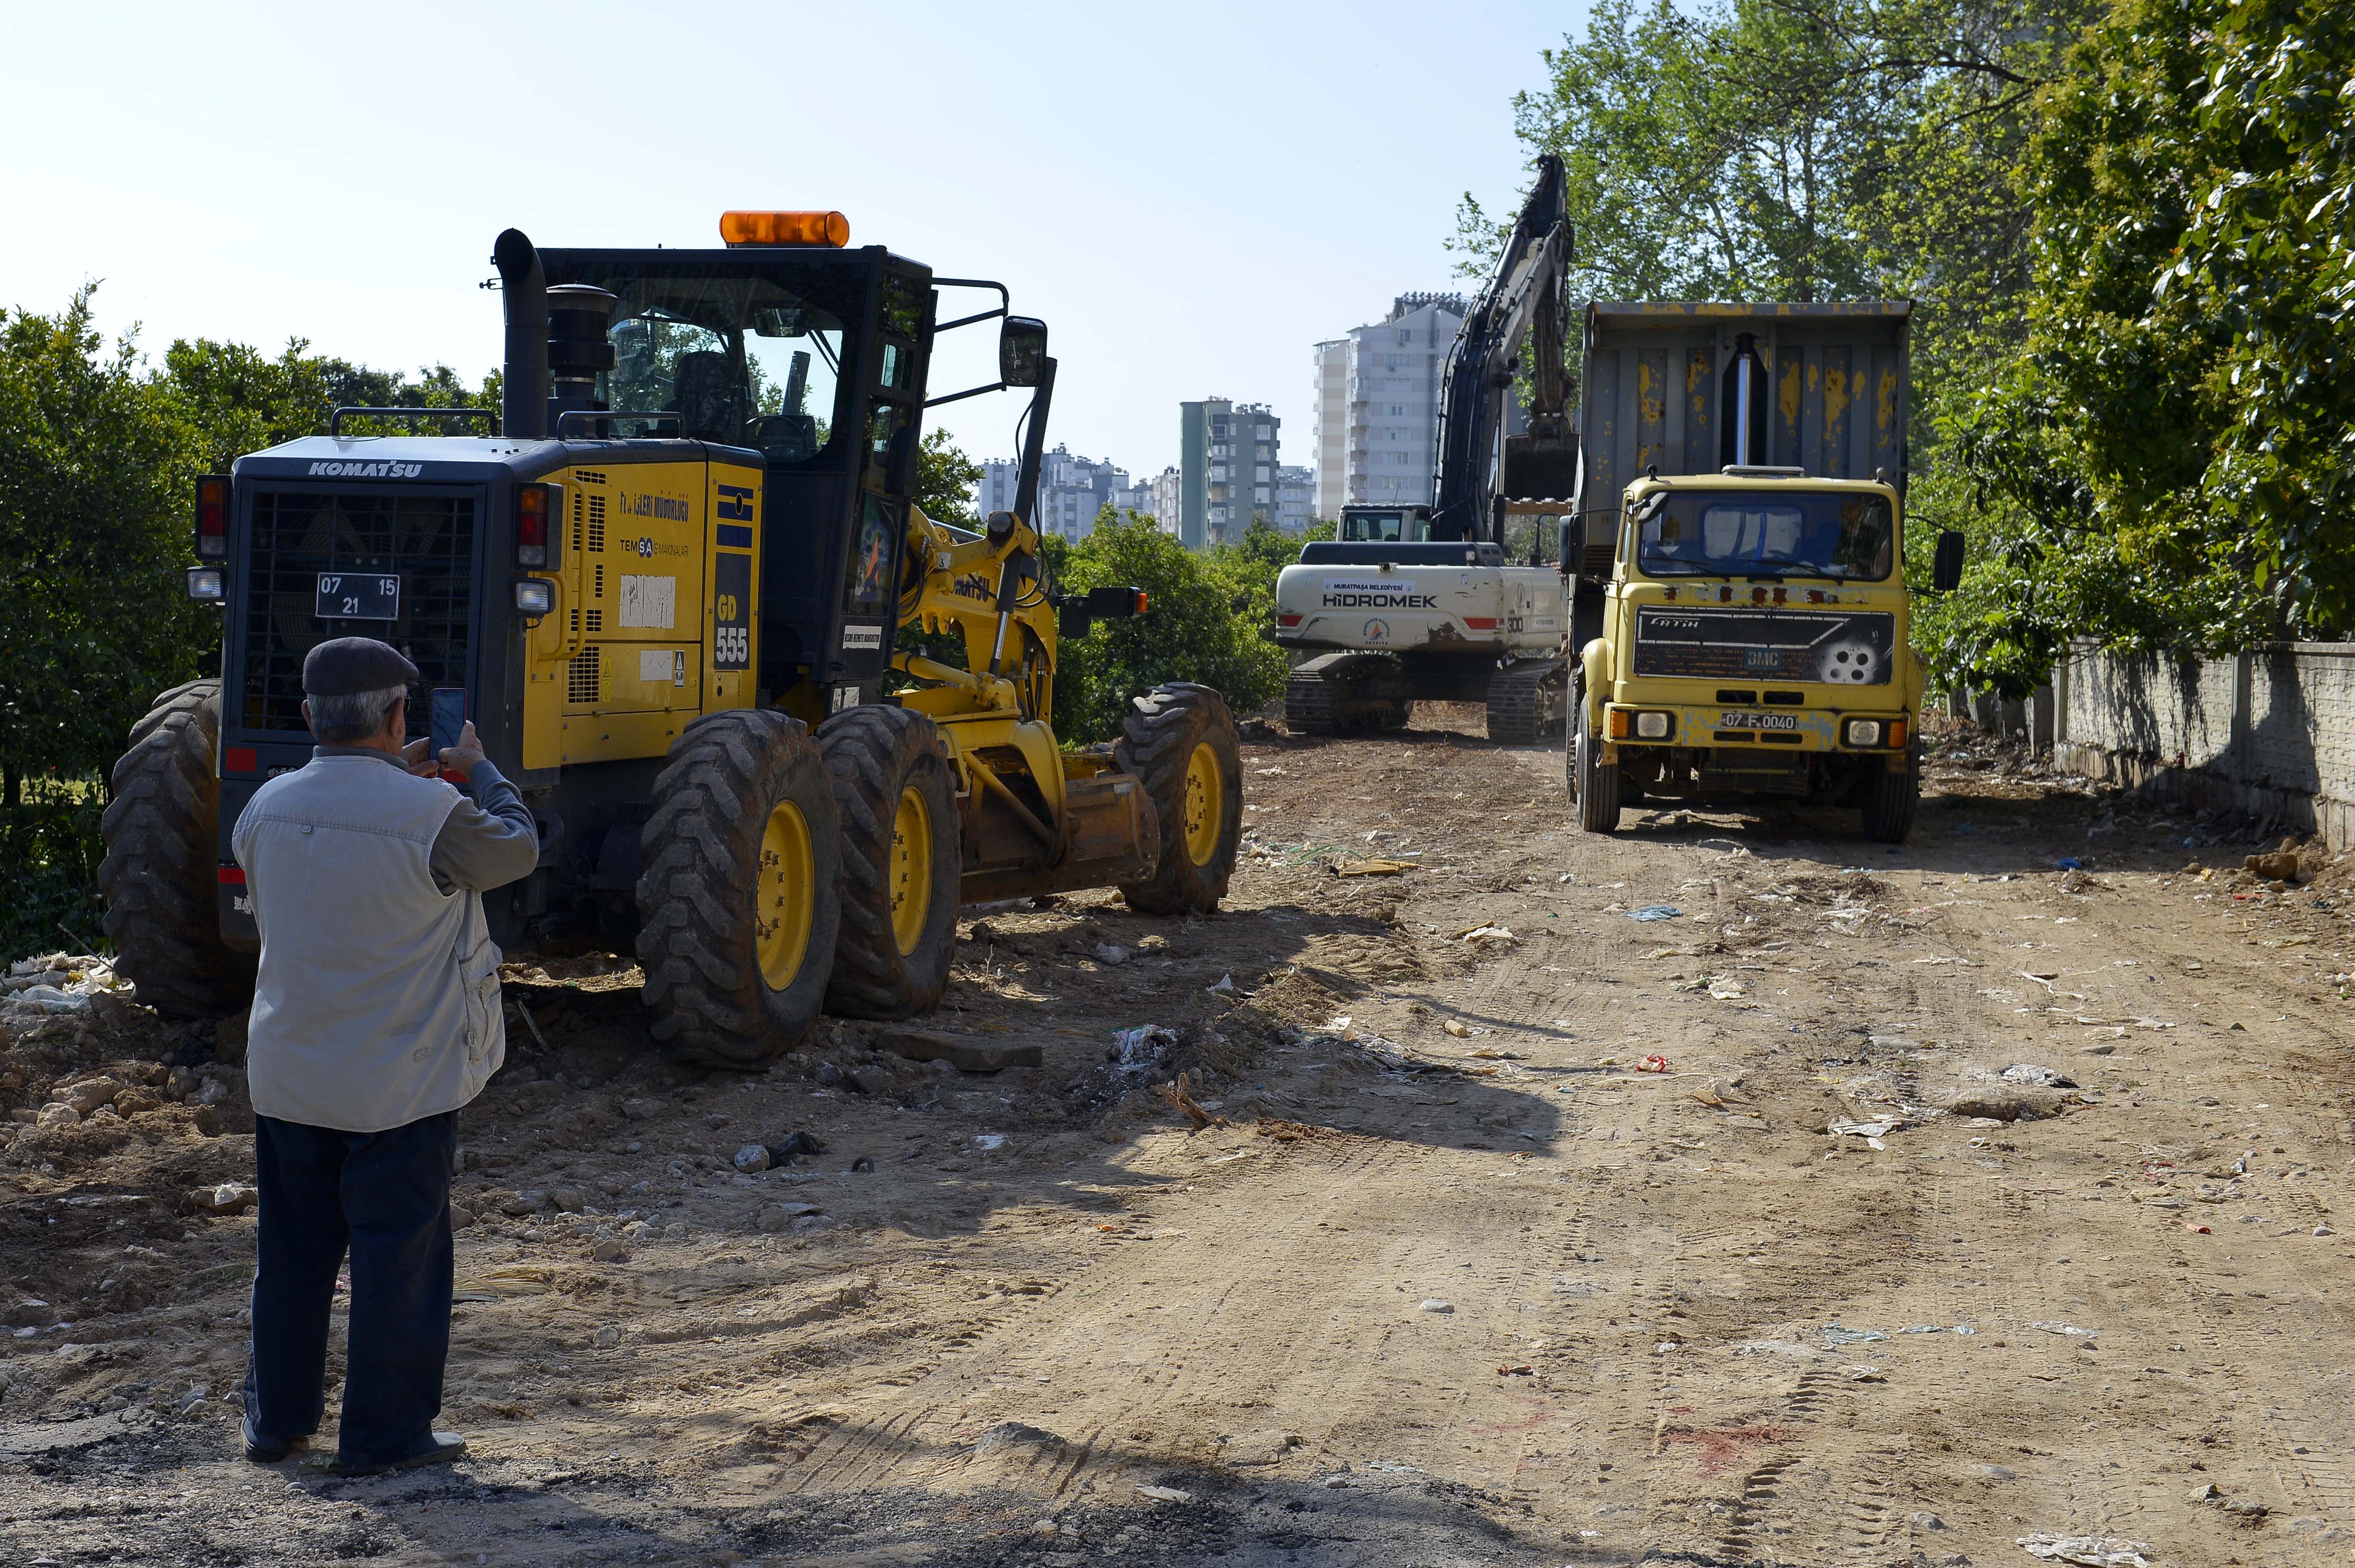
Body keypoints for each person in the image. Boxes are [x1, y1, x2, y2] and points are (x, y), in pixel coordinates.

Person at [229, 637, 539, 1474]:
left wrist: (392, 779)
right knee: (397, 1262)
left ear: (308, 717)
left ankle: (275, 1423)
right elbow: (514, 849)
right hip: (397, 1085)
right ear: (400, 715)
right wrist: (477, 770)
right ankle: (384, 1435)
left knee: (291, 1260)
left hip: (290, 1077)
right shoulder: (431, 814)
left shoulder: (262, 809)